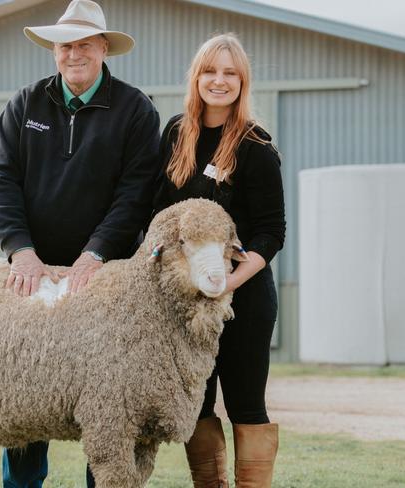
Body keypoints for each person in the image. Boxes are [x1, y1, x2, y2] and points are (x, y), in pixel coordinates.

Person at [0, 0, 160, 486]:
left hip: (105, 277)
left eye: (84, 44)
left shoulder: (135, 110)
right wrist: (20, 248)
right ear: (54, 51)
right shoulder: (26, 105)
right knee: (27, 389)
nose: (74, 54)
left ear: (103, 48)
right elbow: (2, 179)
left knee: (107, 397)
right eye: (65, 45)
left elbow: (137, 191)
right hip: (35, 272)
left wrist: (97, 252)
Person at [153, 33, 286, 488]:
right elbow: (156, 213)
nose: (219, 80)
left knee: (246, 404)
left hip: (241, 298)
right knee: (199, 404)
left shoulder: (256, 145)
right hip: (188, 305)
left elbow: (272, 232)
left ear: (242, 80)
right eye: (210, 71)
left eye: (230, 72)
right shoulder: (175, 135)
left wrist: (229, 283)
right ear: (196, 78)